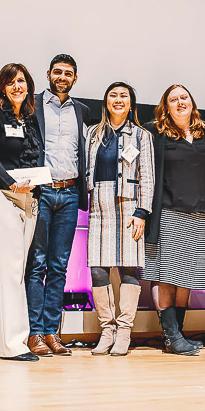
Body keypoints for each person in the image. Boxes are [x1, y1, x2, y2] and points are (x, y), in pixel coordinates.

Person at [144, 84, 205, 356]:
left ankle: (178, 334)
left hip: (204, 216)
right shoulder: (155, 132)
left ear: (192, 102)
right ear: (165, 106)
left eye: (184, 97)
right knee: (166, 276)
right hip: (170, 213)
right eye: (173, 99)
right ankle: (171, 335)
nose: (180, 102)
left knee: (187, 277)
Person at [25, 54, 90, 357]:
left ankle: (52, 332)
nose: (63, 77)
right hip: (42, 192)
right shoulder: (32, 104)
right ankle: (34, 332)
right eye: (58, 72)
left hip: (69, 194)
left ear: (75, 78)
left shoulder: (81, 110)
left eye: (69, 73)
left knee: (59, 267)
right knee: (37, 264)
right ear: (48, 73)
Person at [0, 63, 44, 361]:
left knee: (8, 272)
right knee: (12, 270)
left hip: (28, 199)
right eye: (12, 81)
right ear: (2, 86)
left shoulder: (29, 118)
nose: (18, 86)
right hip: (0, 195)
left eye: (22, 81)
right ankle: (15, 344)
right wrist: (11, 183)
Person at [85, 82, 154, 356]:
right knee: (98, 269)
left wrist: (142, 212)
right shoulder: (92, 133)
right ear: (105, 102)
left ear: (131, 103)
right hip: (99, 205)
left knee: (128, 268)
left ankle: (125, 330)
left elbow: (147, 176)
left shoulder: (141, 136)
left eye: (123, 96)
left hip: (129, 207)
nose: (118, 99)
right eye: (113, 95)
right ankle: (106, 330)